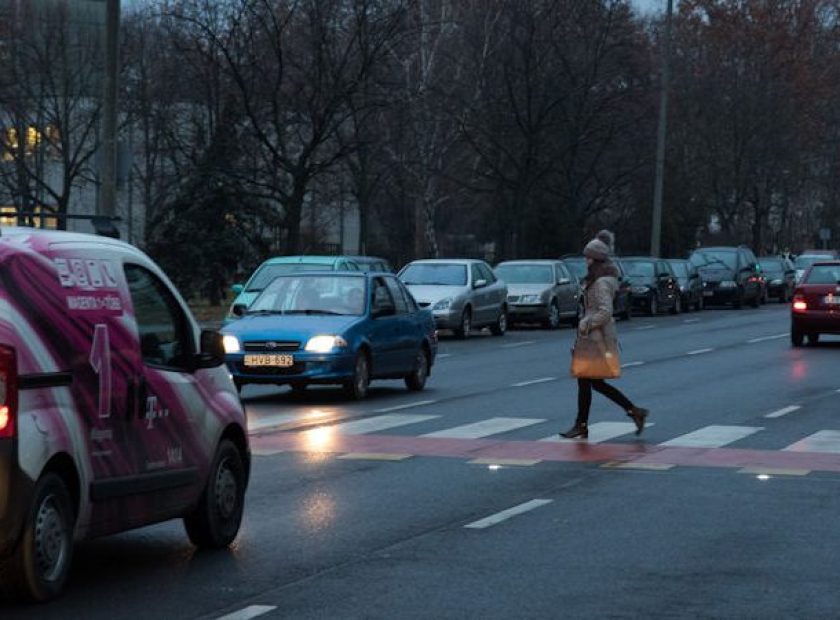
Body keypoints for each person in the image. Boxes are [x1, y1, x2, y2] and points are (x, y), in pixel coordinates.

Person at [561, 230, 649, 439]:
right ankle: (632, 411)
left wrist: (586, 323)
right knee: (591, 382)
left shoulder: (600, 283)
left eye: (588, 257)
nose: (585, 261)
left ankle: (584, 424)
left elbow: (605, 312)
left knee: (588, 380)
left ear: (596, 259)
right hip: (592, 337)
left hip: (596, 338)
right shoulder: (597, 279)